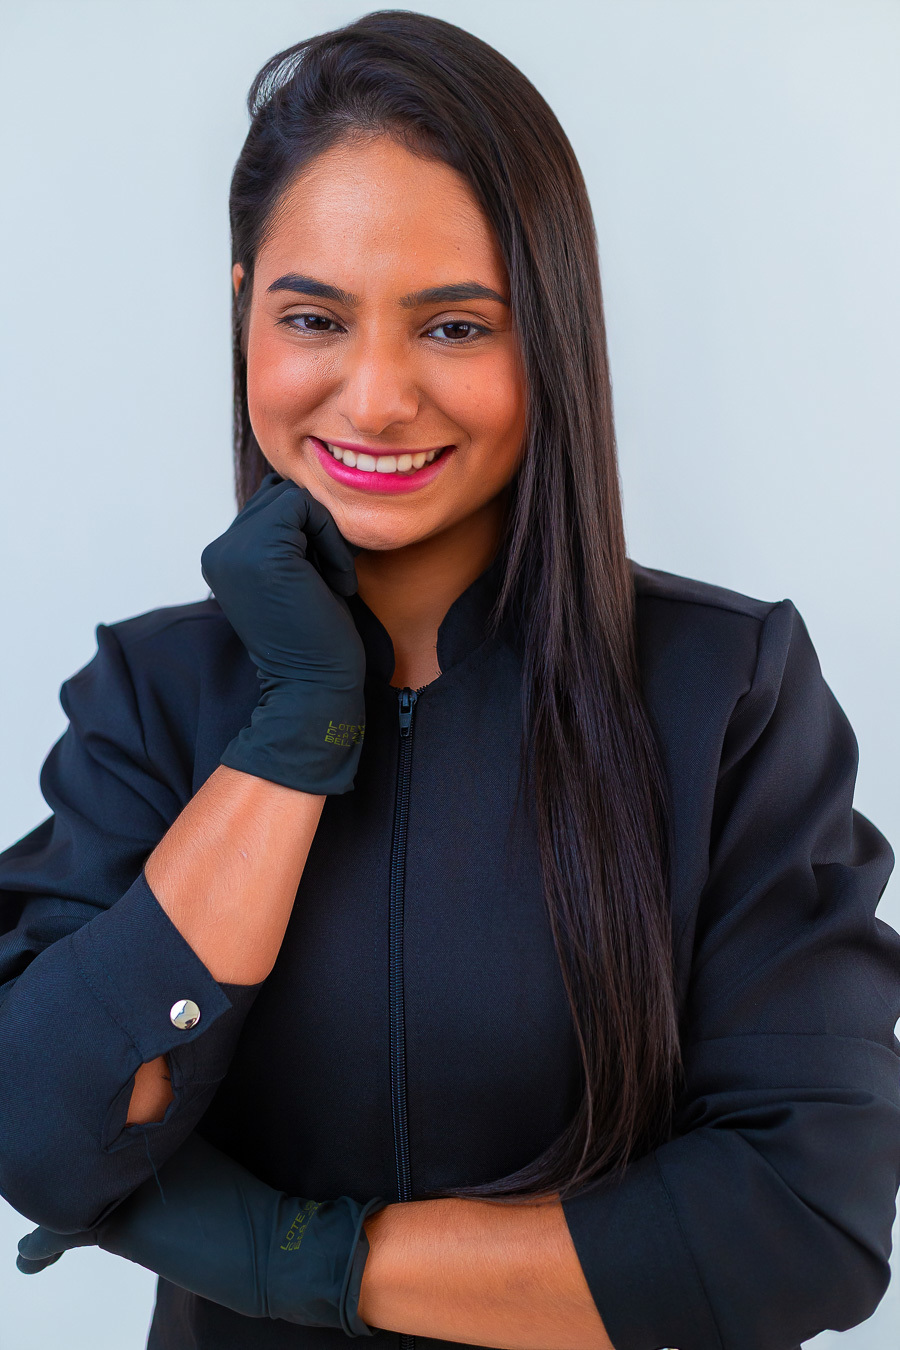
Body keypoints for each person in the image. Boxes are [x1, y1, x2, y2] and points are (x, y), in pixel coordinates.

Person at [1, 10, 898, 1350]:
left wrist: (299, 1259)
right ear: (244, 308)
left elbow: (805, 1221)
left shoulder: (728, 694)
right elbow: (42, 1128)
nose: (374, 397)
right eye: (314, 316)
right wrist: (293, 729)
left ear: (551, 334)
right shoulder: (151, 693)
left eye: (456, 326)